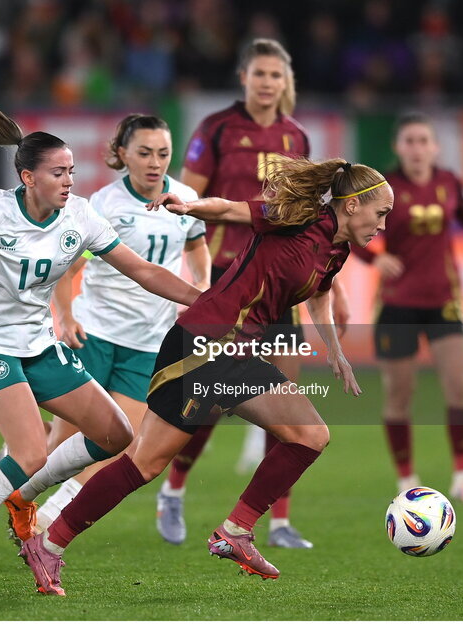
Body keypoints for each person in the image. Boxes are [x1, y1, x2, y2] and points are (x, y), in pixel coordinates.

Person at [17, 157, 393, 595]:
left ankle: (236, 530)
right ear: (351, 205)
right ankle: (49, 544)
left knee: (310, 434)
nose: (383, 224)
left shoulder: (337, 249)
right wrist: (189, 207)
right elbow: (231, 209)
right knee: (145, 462)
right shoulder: (298, 218)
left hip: (239, 353)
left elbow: (321, 290)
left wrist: (334, 348)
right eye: (380, 213)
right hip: (204, 344)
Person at [0, 87, 200, 595]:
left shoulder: (80, 216)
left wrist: (204, 303)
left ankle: (23, 499)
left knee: (117, 434)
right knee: (29, 449)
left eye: (71, 172)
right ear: (27, 177)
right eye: (57, 173)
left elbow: (143, 271)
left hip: (38, 344)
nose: (68, 181)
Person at [157, 37, 349, 550]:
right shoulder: (217, 128)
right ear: (244, 77)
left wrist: (332, 285)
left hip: (281, 286)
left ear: (287, 83)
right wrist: (191, 275)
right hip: (226, 278)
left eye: (276, 75)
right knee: (211, 404)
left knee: (287, 404)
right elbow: (190, 200)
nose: (267, 83)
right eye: (259, 73)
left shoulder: (297, 136)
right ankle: (174, 491)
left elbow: (315, 222)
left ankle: (278, 521)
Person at [13, 114, 211, 534]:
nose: (155, 162)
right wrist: (65, 317)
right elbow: (67, 269)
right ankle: (19, 493)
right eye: (144, 153)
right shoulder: (104, 205)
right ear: (122, 154)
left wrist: (204, 283)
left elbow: (197, 246)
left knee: (119, 445)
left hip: (148, 341)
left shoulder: (186, 198)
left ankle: (46, 519)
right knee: (64, 444)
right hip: (96, 333)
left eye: (163, 153)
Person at [352, 112, 463, 504]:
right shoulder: (381, 190)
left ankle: (462, 477)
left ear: (435, 147)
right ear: (397, 147)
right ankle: (406, 480)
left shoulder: (449, 182)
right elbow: (349, 232)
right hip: (397, 304)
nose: (417, 149)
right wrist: (374, 259)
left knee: (459, 388)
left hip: (444, 301)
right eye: (409, 141)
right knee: (399, 395)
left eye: (424, 141)